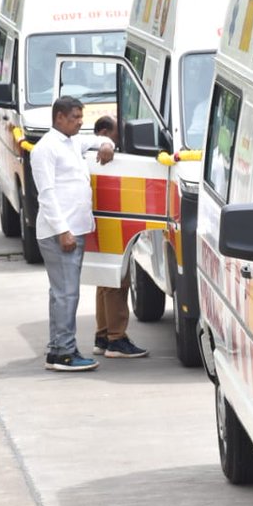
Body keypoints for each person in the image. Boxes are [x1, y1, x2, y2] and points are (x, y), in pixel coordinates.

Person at [31, 97, 115, 372]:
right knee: (66, 294)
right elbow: (46, 195)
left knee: (62, 294)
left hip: (73, 230)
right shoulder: (45, 149)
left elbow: (102, 140)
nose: (80, 122)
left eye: (81, 117)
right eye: (75, 117)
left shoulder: (72, 141)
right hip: (60, 233)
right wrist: (62, 231)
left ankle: (59, 348)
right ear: (59, 118)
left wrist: (106, 145)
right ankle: (64, 353)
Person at [92, 115, 147, 358]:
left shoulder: (95, 152)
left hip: (102, 222)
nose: (122, 138)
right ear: (104, 133)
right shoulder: (104, 155)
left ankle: (103, 336)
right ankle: (116, 339)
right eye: (117, 133)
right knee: (117, 280)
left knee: (105, 281)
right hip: (112, 222)